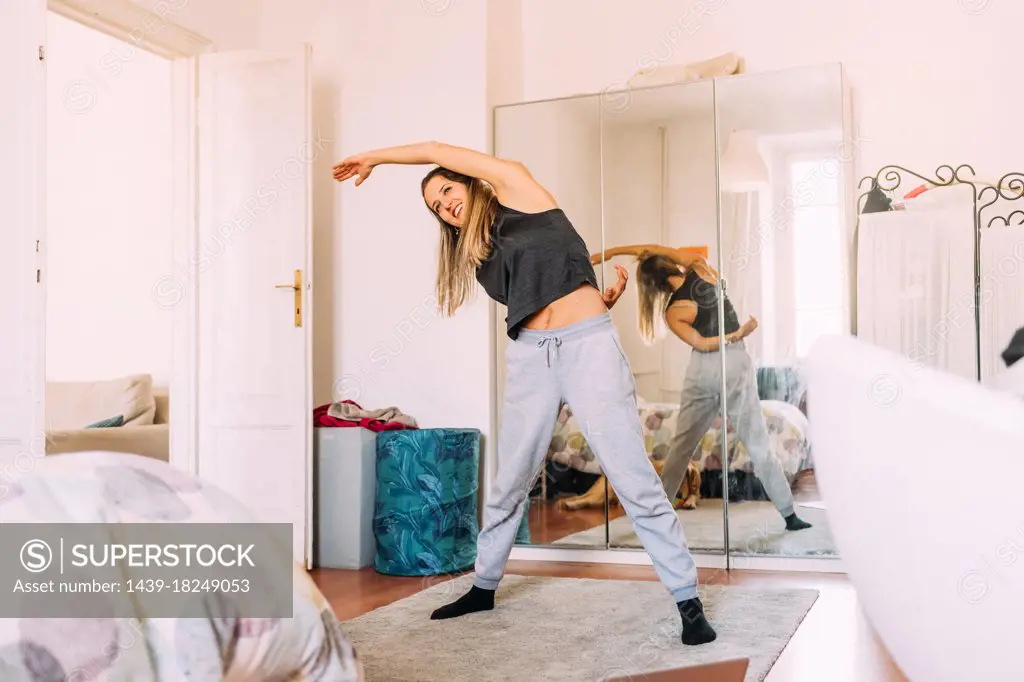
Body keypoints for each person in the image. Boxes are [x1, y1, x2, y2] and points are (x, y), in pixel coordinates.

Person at [332, 141, 717, 645]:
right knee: (510, 478)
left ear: (472, 181)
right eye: (436, 207)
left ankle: (688, 601)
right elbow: (543, 288)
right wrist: (590, 293)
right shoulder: (482, 257)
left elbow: (433, 147)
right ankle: (484, 584)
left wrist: (377, 159)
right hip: (532, 356)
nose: (445, 204)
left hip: (589, 350)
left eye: (447, 189)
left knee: (632, 477)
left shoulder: (521, 190)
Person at [592, 244, 812, 532]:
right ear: (670, 263)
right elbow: (651, 248)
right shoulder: (701, 267)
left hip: (703, 369)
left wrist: (607, 257)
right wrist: (611, 252)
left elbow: (702, 344)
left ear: (651, 287)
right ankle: (789, 515)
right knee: (758, 443)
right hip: (735, 362)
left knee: (681, 449)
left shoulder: (672, 312)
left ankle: (656, 519)